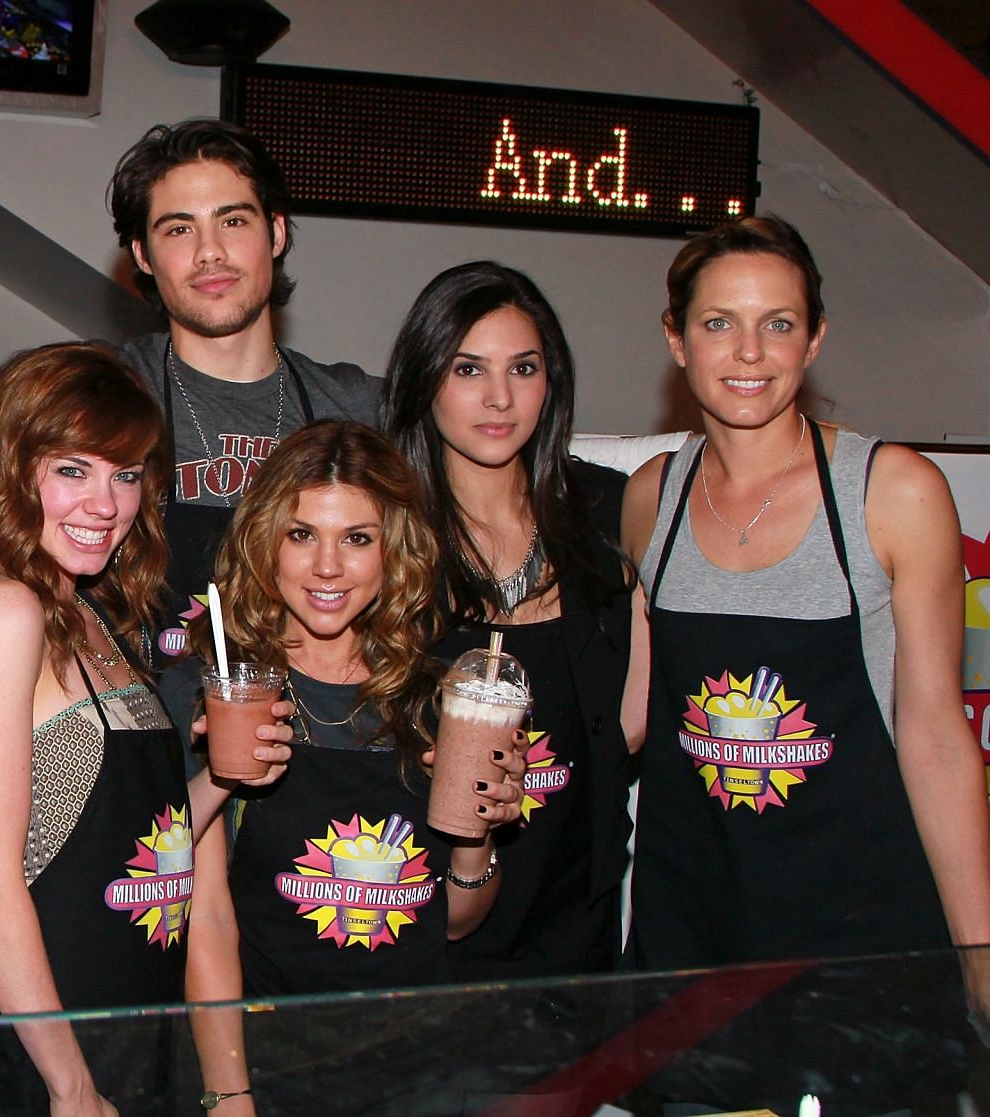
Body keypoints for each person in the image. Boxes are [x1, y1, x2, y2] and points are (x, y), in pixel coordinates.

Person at [622, 216, 990, 1110]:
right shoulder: (649, 500)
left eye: (779, 323)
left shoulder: (892, 492)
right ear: (675, 336)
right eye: (718, 323)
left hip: (860, 950)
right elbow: (633, 719)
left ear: (815, 338)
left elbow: (937, 737)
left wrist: (980, 959)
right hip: (696, 947)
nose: (749, 351)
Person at [0, 343, 291, 1117]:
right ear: (13, 467)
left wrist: (220, 782)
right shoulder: (6, 609)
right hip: (34, 1058)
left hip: (130, 1036)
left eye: (125, 474)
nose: (106, 503)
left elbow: (129, 843)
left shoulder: (91, 610)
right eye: (73, 469)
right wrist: (69, 1083)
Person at [161, 421, 526, 1115]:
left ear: (395, 550)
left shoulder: (441, 696)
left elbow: (450, 922)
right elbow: (204, 919)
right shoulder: (218, 694)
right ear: (264, 541)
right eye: (302, 534)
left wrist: (477, 830)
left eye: (357, 538)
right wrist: (230, 1092)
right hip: (270, 1068)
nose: (327, 566)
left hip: (419, 1073)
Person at [383, 261, 634, 978]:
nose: (499, 397)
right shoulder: (381, 533)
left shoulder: (610, 514)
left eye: (523, 367)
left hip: (570, 928)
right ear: (423, 378)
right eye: (468, 369)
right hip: (425, 923)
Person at [106, 119, 384, 658]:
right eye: (179, 229)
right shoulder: (102, 391)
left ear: (276, 234)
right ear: (143, 254)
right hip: (147, 727)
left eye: (232, 221)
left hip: (311, 727)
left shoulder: (359, 407)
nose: (210, 252)